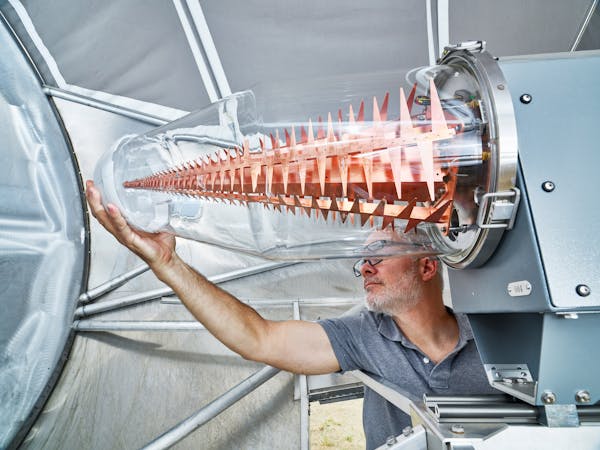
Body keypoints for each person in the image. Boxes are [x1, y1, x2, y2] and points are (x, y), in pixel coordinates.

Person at [85, 180, 496, 449]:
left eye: (379, 255)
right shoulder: (362, 336)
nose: (364, 268)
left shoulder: (496, 336)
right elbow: (258, 338)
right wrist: (167, 265)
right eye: (362, 260)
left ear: (427, 267)